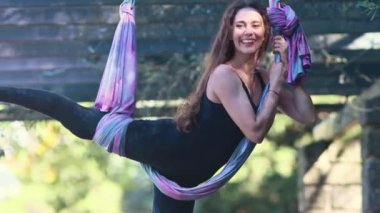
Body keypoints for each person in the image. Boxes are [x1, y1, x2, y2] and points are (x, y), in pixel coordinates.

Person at [0, 0, 315, 212]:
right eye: (241, 25)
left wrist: (290, 70)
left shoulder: (264, 80)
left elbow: (306, 115)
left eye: (256, 25)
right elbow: (256, 131)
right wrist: (276, 82)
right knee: (77, 116)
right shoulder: (225, 76)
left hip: (186, 177)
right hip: (166, 145)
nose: (249, 32)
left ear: (266, 33)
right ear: (230, 33)